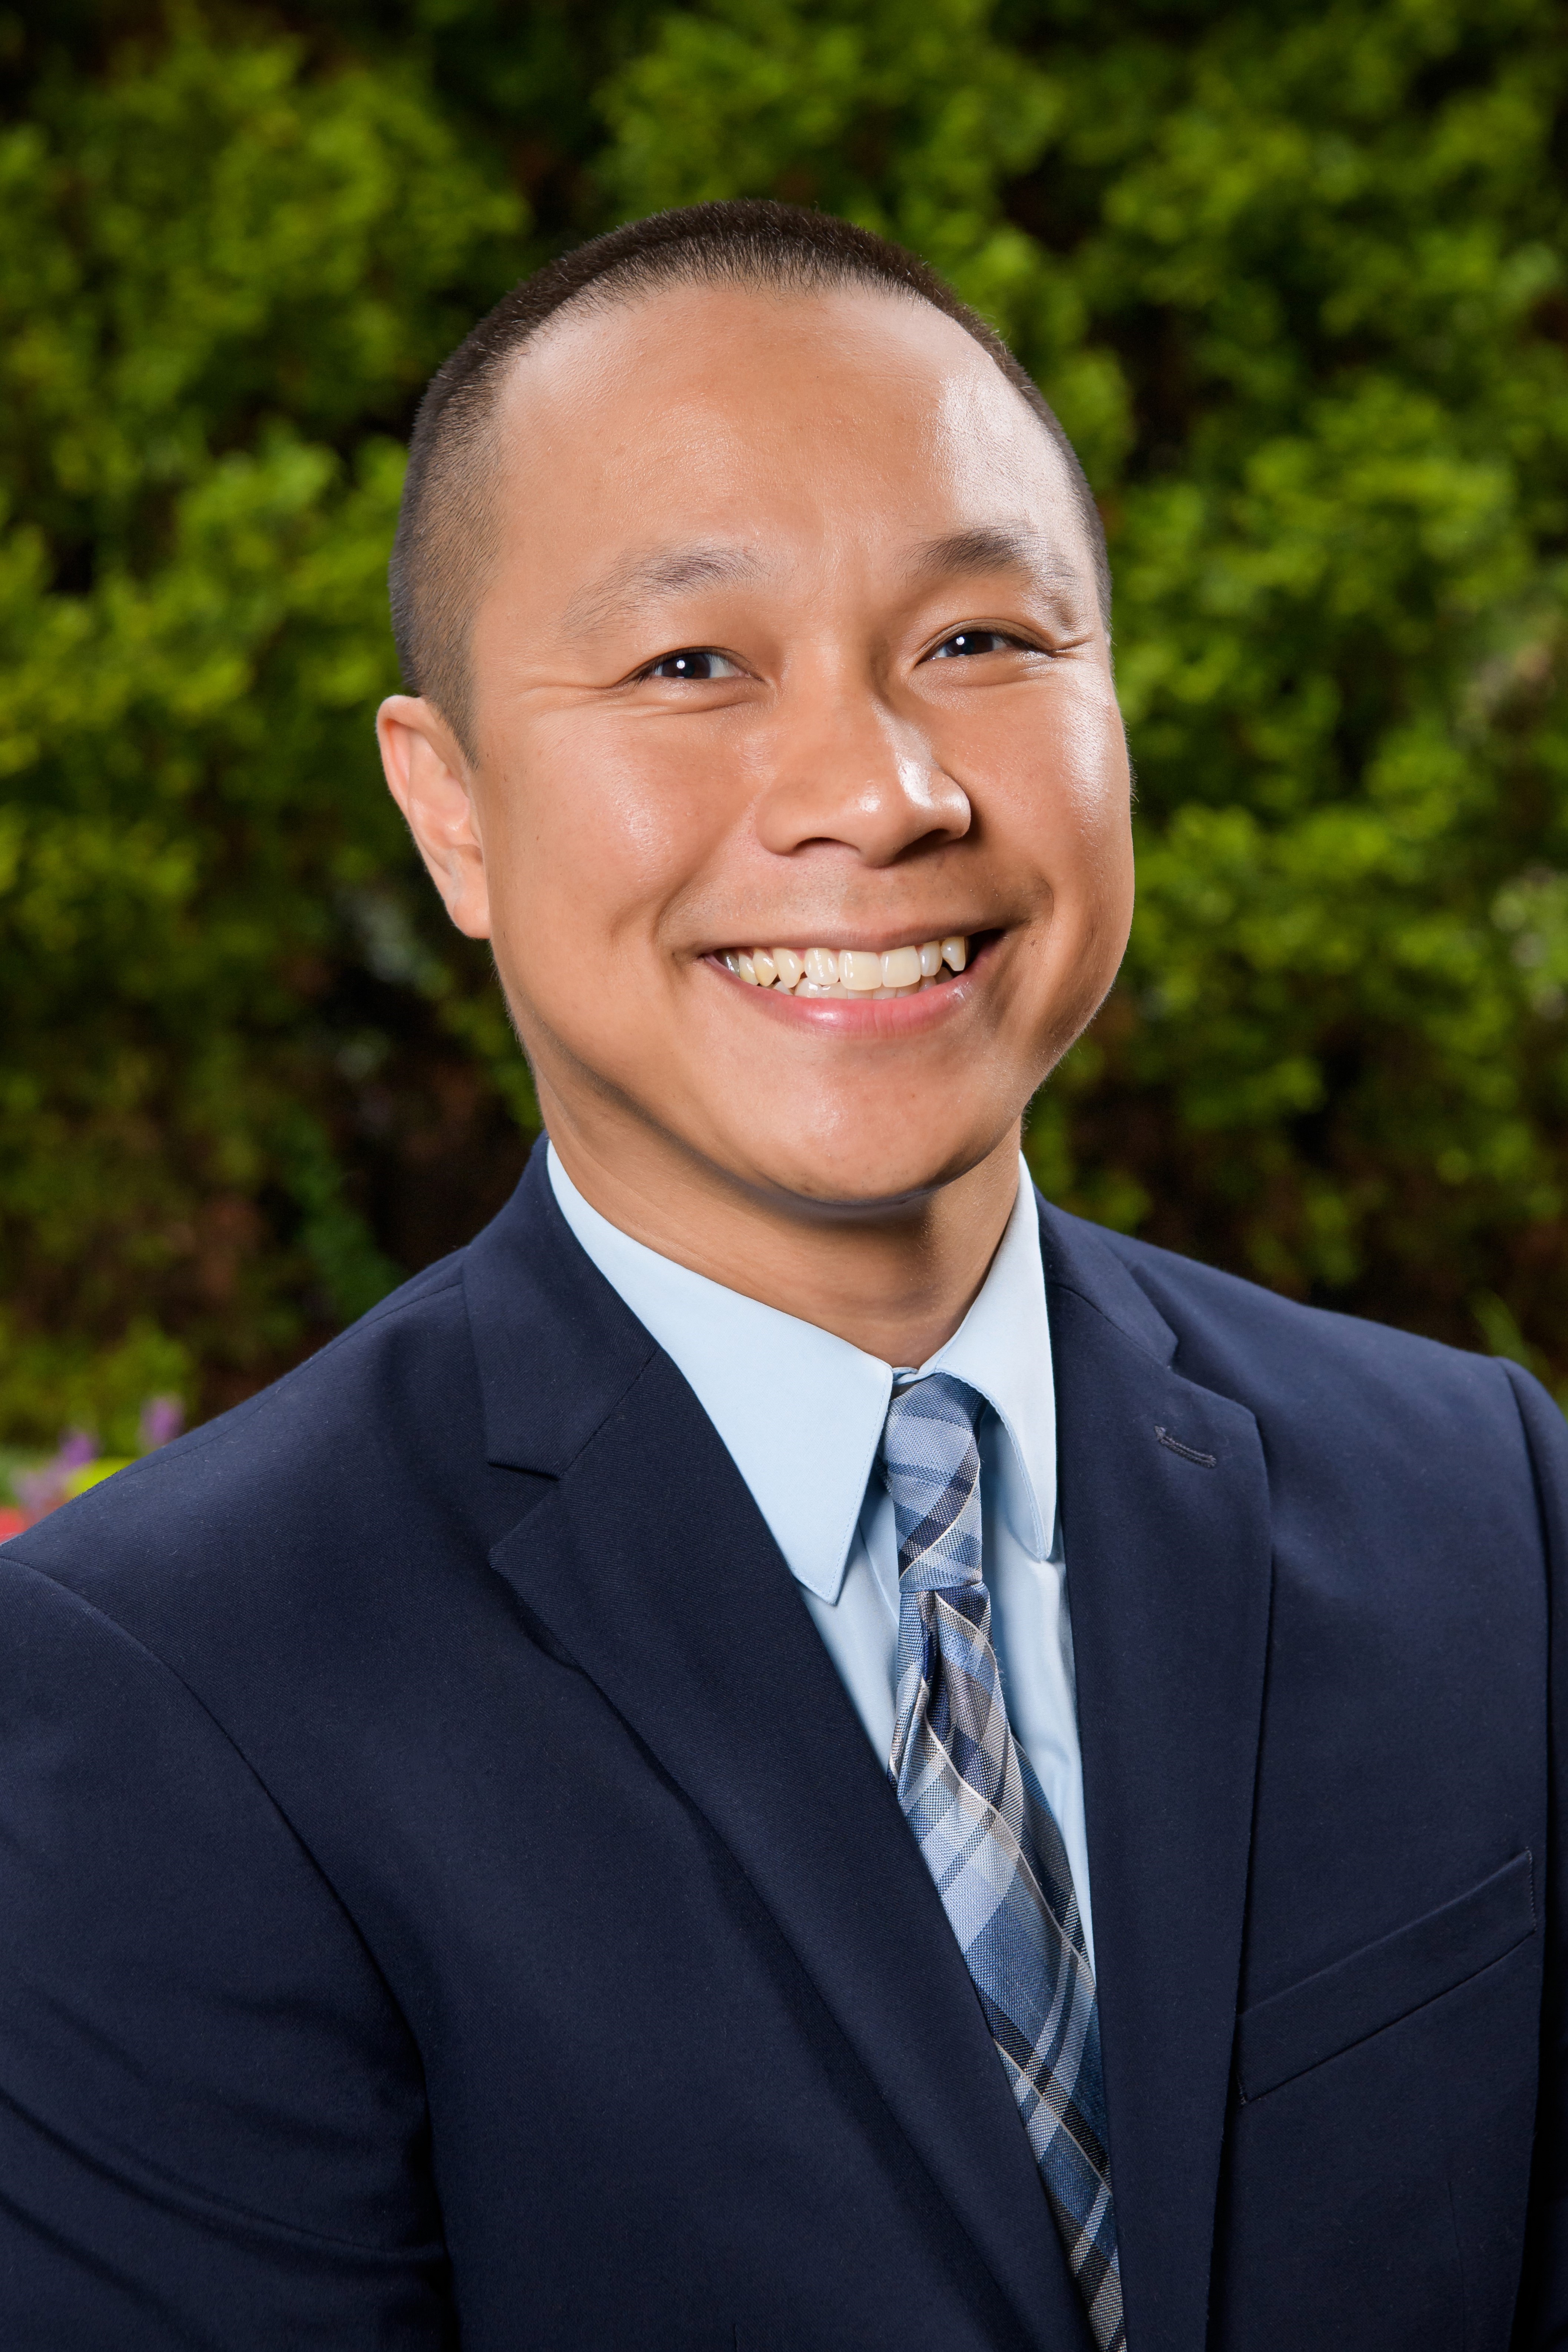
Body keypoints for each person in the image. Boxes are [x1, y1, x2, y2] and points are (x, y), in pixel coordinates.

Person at [0, 198, 1562, 2352]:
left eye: (980, 642)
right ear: (451, 811)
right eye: (692, 667)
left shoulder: (1480, 1500)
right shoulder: (167, 1695)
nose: (882, 794)